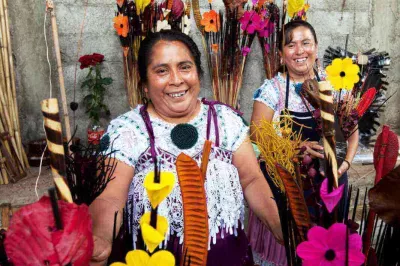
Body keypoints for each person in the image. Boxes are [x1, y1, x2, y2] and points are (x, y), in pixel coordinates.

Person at [89, 30, 282, 266]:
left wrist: (284, 228)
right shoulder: (127, 130)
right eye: (161, 71)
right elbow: (109, 198)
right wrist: (99, 237)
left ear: (198, 74)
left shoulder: (225, 120)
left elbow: (252, 180)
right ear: (145, 85)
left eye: (184, 67)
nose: (176, 79)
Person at [249, 20, 359, 265]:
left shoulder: (336, 87)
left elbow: (352, 132)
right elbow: (257, 137)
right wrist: (297, 148)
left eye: (305, 43)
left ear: (316, 48)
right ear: (281, 53)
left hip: (332, 183)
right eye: (291, 45)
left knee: (328, 252)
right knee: (293, 253)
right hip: (289, 186)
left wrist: (346, 165)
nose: (299, 51)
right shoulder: (273, 90)